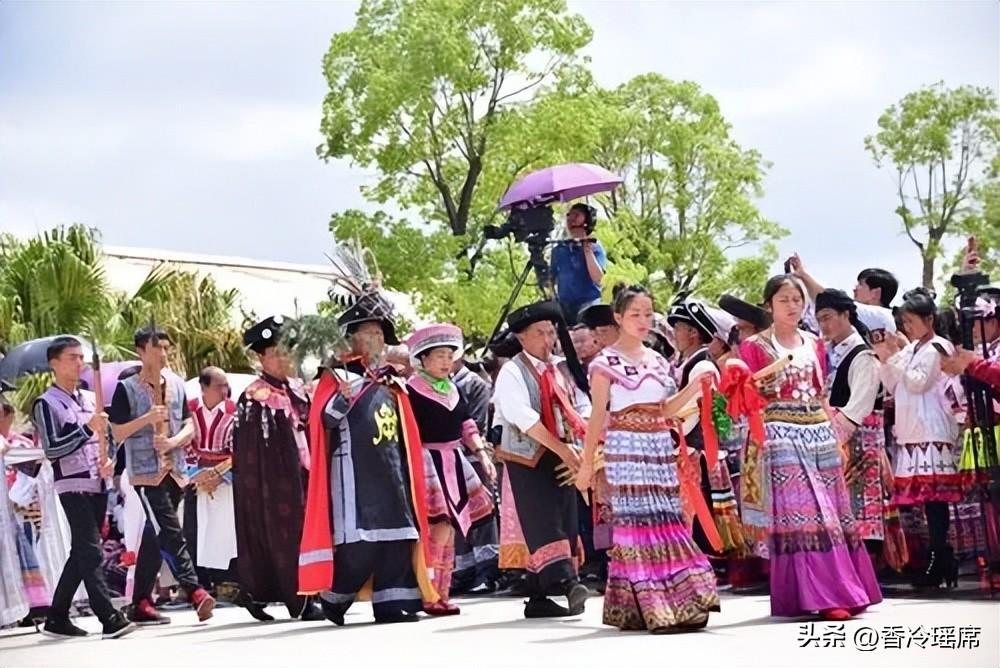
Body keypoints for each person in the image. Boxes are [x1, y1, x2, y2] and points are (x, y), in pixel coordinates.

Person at [300, 251, 438, 625]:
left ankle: (393, 602)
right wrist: (344, 399)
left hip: (392, 472)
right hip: (354, 475)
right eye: (370, 333)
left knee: (398, 538)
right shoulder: (337, 378)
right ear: (354, 338)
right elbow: (323, 423)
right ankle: (333, 598)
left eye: (380, 333)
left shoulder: (393, 382)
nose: (377, 339)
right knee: (359, 544)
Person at [576, 285, 719, 633]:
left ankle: (675, 601)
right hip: (625, 445)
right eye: (634, 314)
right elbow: (597, 416)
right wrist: (584, 466)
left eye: (647, 314)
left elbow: (668, 409)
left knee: (666, 518)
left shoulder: (657, 360)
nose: (642, 321)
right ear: (618, 317)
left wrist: (697, 385)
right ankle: (658, 606)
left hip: (658, 443)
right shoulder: (604, 363)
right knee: (639, 523)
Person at [739, 275, 881, 620]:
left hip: (818, 429)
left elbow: (821, 393)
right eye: (784, 299)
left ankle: (844, 587)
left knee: (832, 510)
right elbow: (749, 398)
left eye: (797, 299)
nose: (792, 306)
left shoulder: (815, 343)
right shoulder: (754, 347)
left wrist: (833, 433)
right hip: (780, 433)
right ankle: (827, 593)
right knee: (805, 513)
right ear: (769, 305)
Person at [491, 300, 591, 618]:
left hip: (561, 453)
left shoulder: (561, 369)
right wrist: (562, 449)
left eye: (551, 333)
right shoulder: (512, 371)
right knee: (542, 520)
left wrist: (578, 445)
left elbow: (581, 407)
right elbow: (523, 417)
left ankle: (537, 595)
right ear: (521, 336)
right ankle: (568, 581)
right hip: (528, 458)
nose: (548, 340)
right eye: (540, 333)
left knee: (565, 516)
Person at [109, 327, 215, 625]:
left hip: (176, 470)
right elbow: (117, 431)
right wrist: (146, 419)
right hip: (145, 473)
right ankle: (195, 590)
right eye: (157, 348)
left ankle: (140, 601)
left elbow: (189, 424)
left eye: (166, 348)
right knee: (170, 530)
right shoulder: (126, 388)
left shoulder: (178, 385)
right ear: (141, 351)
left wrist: (172, 441)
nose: (163, 354)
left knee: (156, 536)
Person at [31, 336, 135, 639]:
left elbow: (109, 439)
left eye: (81, 357)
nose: (80, 363)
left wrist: (111, 460)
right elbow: (52, 449)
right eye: (73, 357)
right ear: (55, 363)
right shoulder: (46, 403)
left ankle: (57, 617)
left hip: (97, 482)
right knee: (90, 549)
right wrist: (86, 428)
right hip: (72, 484)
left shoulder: (91, 398)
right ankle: (108, 616)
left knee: (82, 551)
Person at [232, 316, 322, 622]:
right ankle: (299, 598)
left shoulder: (300, 389)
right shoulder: (254, 396)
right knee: (282, 537)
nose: (285, 358)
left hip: (307, 474)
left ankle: (313, 589)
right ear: (261, 357)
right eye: (277, 352)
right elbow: (250, 450)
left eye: (288, 350)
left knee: (310, 533)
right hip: (273, 482)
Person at [873, 289, 962, 588]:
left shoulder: (938, 346)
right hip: (912, 429)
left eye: (911, 321)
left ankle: (941, 557)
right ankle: (938, 557)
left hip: (932, 429)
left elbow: (918, 382)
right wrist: (887, 358)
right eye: (905, 322)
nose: (907, 327)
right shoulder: (911, 350)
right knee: (924, 501)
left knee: (935, 500)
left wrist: (896, 356)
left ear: (929, 319)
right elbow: (893, 385)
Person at [405, 324, 496, 614]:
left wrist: (482, 454)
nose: (446, 361)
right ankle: (428, 593)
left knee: (452, 530)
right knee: (437, 530)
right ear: (423, 359)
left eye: (449, 355)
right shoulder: (411, 390)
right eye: (439, 356)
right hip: (427, 463)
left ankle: (441, 593)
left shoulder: (454, 389)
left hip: (454, 462)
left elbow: (467, 425)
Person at [815, 289, 888, 547]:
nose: (824, 325)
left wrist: (831, 438)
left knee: (861, 509)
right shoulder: (825, 353)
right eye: (820, 319)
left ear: (845, 315)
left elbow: (860, 405)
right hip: (832, 438)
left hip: (857, 440)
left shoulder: (863, 355)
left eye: (828, 317)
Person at [182, 367, 239, 599]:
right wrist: (196, 475)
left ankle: (229, 582)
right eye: (218, 386)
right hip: (195, 476)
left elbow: (240, 448)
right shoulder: (189, 410)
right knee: (194, 530)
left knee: (227, 530)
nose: (224, 390)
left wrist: (219, 476)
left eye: (226, 385)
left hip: (225, 476)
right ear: (204, 388)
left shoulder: (234, 411)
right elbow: (183, 442)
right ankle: (199, 585)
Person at [450, 354, 501, 595]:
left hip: (472, 457)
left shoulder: (474, 384)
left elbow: (477, 423)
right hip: (450, 458)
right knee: (459, 516)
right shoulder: (441, 385)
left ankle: (487, 571)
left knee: (482, 514)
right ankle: (463, 571)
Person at [788, 255, 898, 334]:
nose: (855, 289)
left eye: (860, 284)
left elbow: (832, 300)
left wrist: (802, 274)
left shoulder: (881, 316)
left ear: (876, 293)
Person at [550, 203, 607, 323]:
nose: (571, 220)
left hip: (589, 304)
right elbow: (550, 280)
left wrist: (587, 250)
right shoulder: (559, 249)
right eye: (569, 216)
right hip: (564, 306)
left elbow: (599, 279)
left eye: (576, 215)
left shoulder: (595, 247)